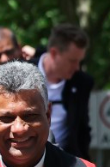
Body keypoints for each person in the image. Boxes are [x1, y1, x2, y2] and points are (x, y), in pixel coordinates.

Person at [34, 24, 93, 159]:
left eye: (79, 61)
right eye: (72, 61)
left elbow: (82, 131)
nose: (77, 67)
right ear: (54, 53)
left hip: (63, 161)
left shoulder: (82, 83)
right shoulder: (23, 71)